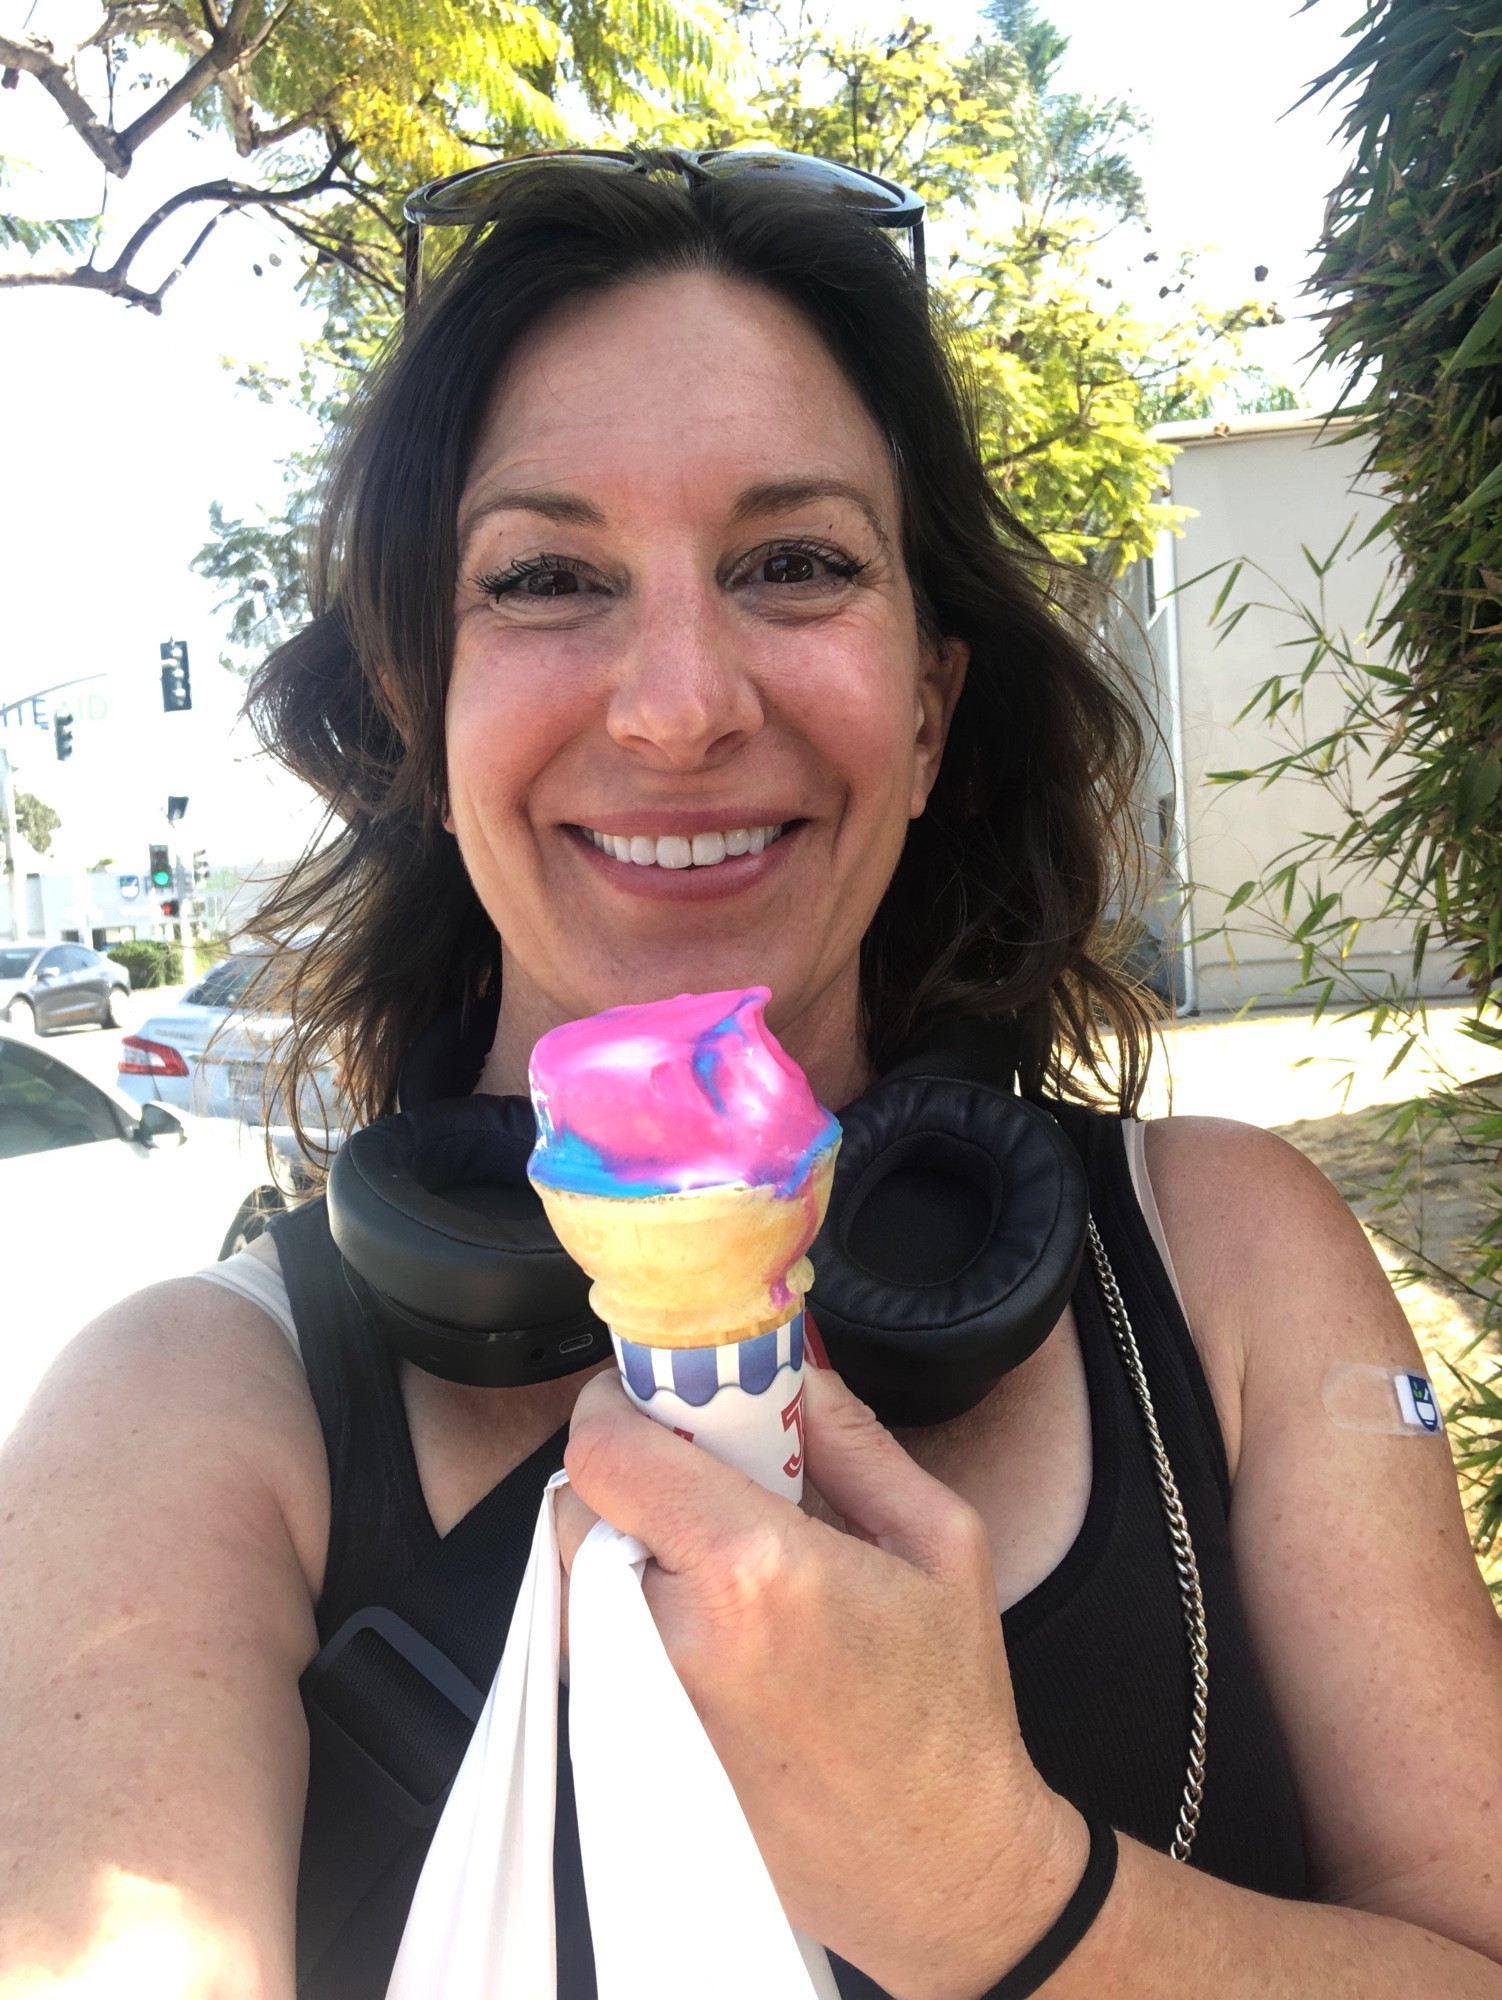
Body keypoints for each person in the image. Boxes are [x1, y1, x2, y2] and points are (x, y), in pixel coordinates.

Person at [2, 150, 1501, 2000]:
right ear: (416, 710)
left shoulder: (1224, 1260)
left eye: (792, 563)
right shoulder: (183, 1414)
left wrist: (1001, 1894)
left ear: (934, 703)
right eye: (546, 577)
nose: (680, 704)